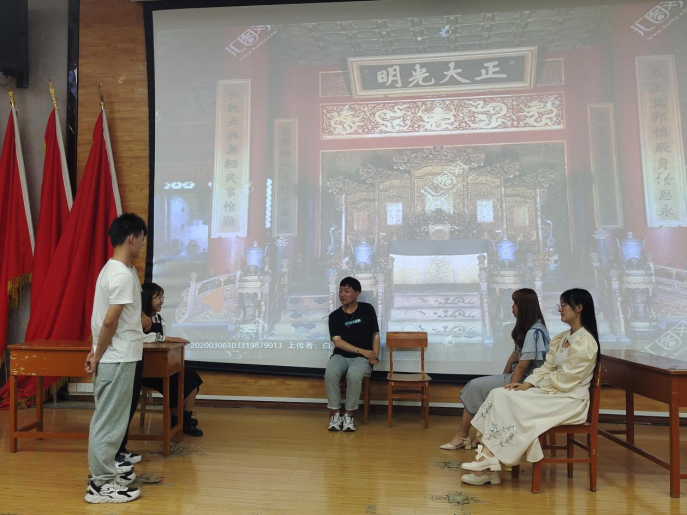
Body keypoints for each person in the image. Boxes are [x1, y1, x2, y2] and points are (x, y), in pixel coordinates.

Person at [460, 288, 600, 486]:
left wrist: (537, 384)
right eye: (560, 305)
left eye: (564, 305)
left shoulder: (586, 342)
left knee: (507, 400)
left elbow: (566, 379)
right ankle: (489, 463)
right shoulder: (563, 337)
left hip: (568, 400)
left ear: (579, 308)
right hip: (553, 392)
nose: (560, 309)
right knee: (499, 393)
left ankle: (487, 462)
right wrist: (527, 383)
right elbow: (547, 367)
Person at [84, 213, 147, 504]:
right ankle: (100, 485)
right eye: (142, 239)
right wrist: (97, 355)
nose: (143, 244)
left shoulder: (117, 269)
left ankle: (106, 474)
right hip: (117, 357)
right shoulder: (121, 274)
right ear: (131, 238)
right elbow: (109, 321)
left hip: (117, 355)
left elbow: (104, 320)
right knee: (108, 423)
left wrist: (97, 351)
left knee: (111, 421)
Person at [440, 288, 549, 451]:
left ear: (524, 307)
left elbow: (522, 366)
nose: (512, 307)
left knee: (475, 386)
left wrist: (508, 389)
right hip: (519, 377)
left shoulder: (535, 331)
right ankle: (480, 436)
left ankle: (462, 436)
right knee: (479, 387)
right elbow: (514, 356)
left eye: (515, 303)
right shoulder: (529, 328)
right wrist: (503, 376)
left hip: (526, 381)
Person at [140, 282, 204, 437]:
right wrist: (165, 338)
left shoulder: (159, 319)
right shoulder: (137, 318)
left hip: (160, 366)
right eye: (159, 297)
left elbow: (160, 343)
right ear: (148, 298)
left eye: (162, 297)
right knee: (176, 381)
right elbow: (139, 339)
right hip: (143, 369)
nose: (162, 301)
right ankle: (177, 421)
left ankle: (184, 419)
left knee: (192, 377)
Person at [325, 277, 380, 432]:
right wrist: (363, 351)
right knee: (330, 373)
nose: (342, 294)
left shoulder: (367, 309)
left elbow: (375, 334)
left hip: (362, 359)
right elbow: (337, 342)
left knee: (354, 375)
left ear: (357, 293)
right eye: (340, 291)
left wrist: (374, 354)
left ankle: (349, 415)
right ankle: (336, 414)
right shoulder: (334, 316)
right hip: (340, 356)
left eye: (346, 291)